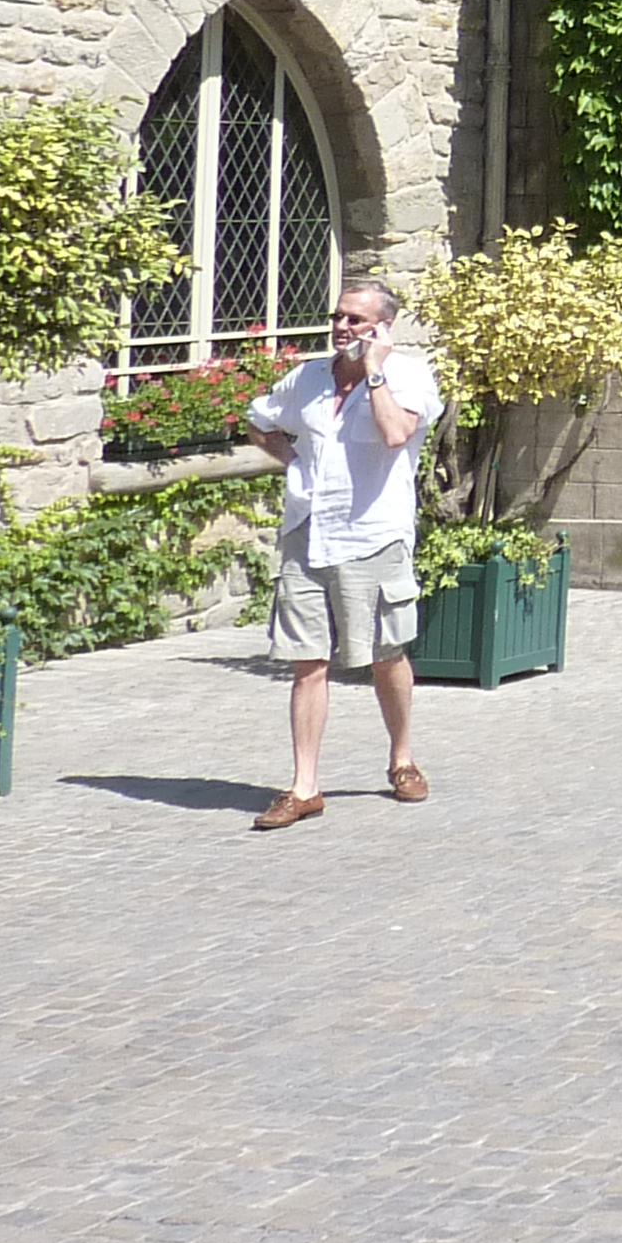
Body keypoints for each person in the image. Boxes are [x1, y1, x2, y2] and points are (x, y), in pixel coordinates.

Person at [246, 279, 444, 832]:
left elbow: (394, 434)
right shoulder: (307, 377)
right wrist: (294, 463)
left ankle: (401, 758)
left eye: (356, 320)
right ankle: (304, 787)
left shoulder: (408, 375)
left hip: (372, 536)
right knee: (307, 663)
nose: (341, 328)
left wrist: (375, 369)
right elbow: (259, 419)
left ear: (382, 326)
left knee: (386, 655)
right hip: (307, 532)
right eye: (337, 316)